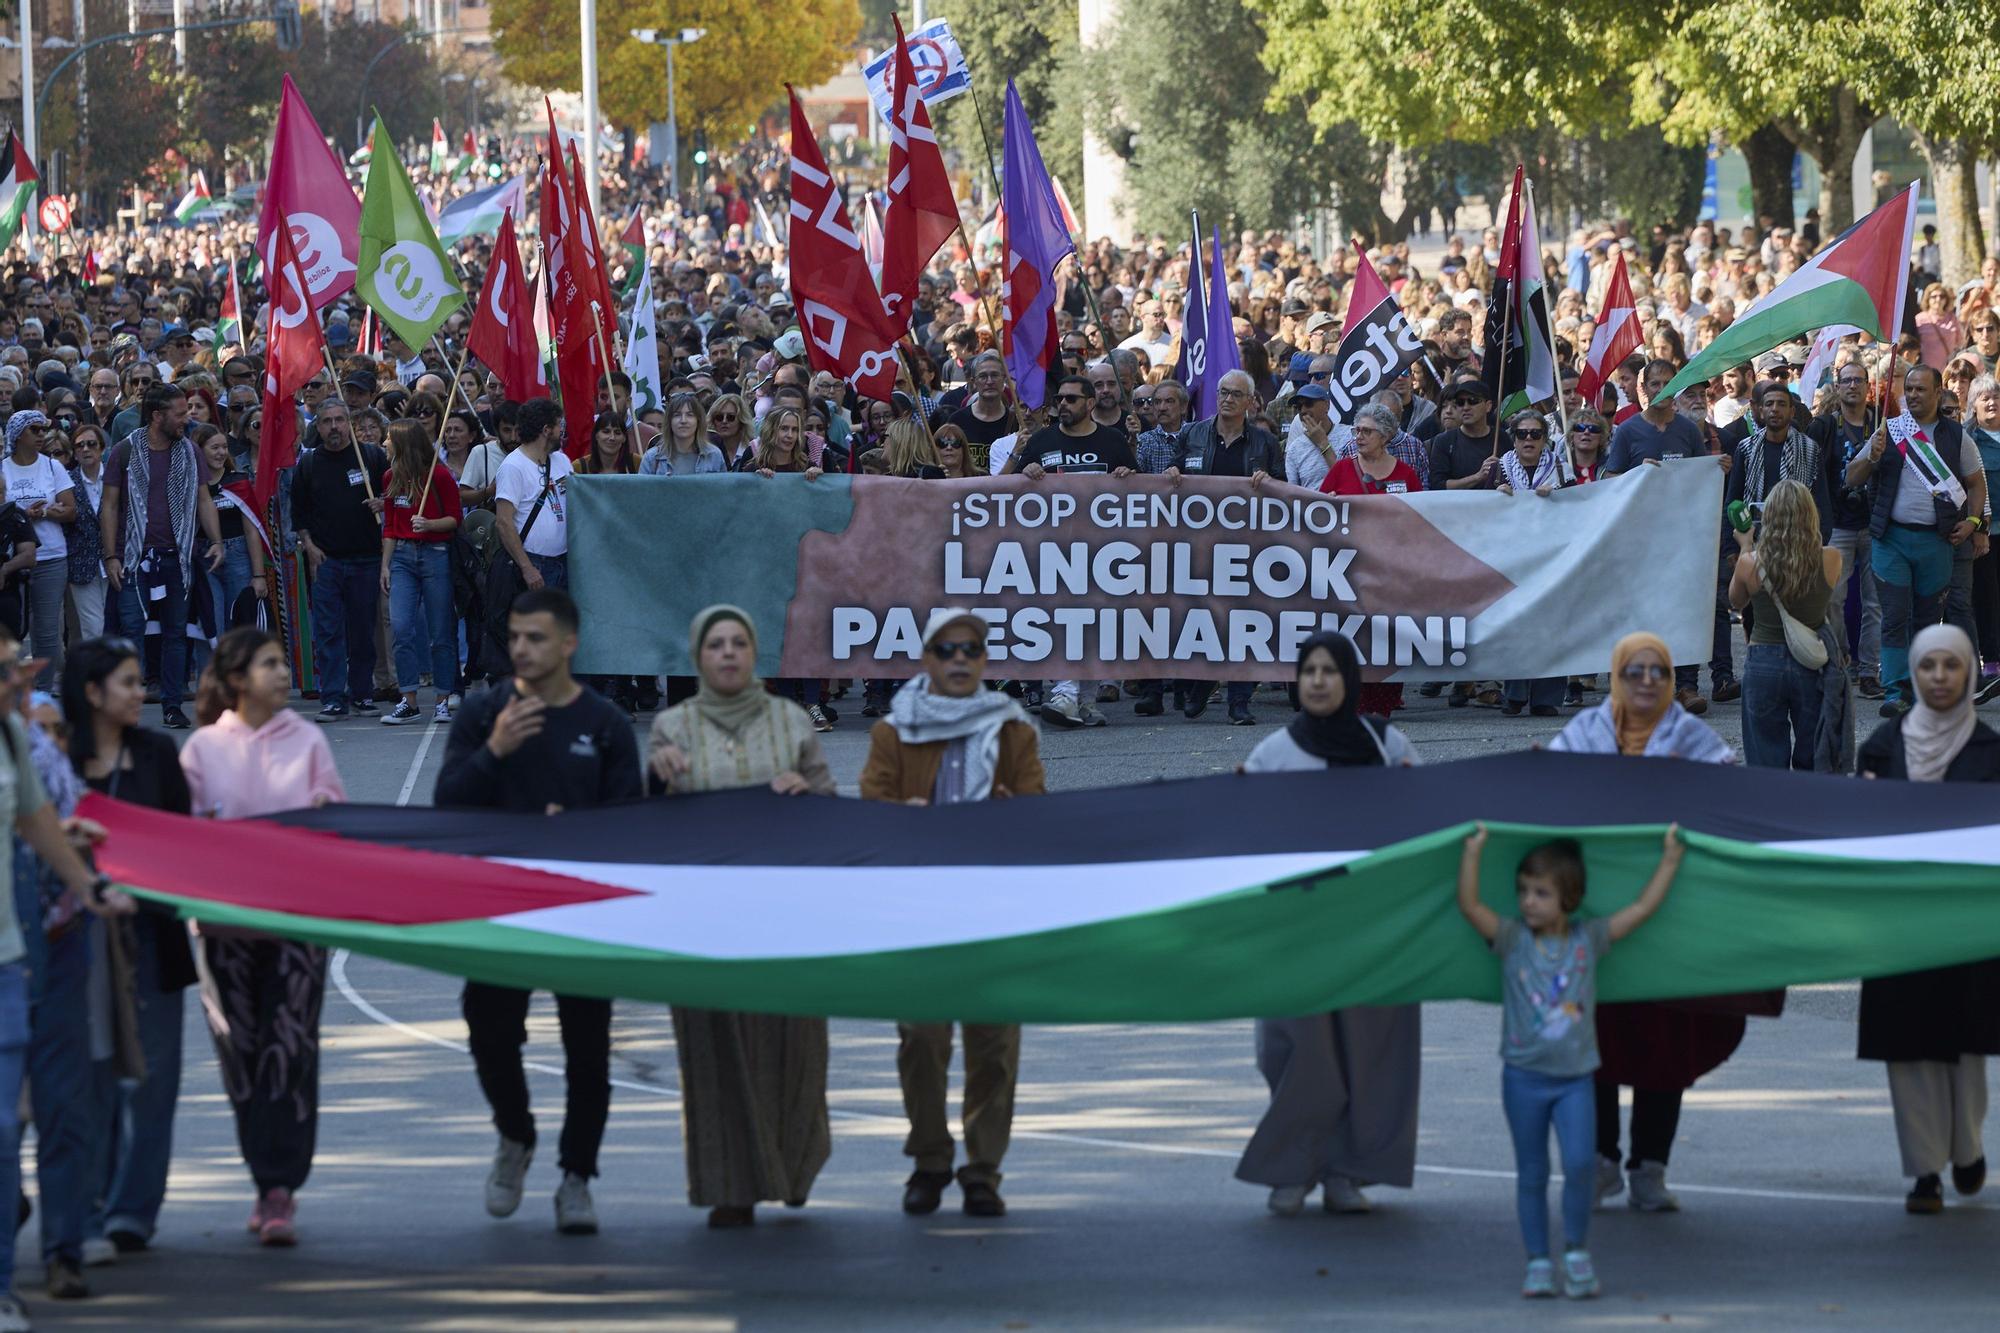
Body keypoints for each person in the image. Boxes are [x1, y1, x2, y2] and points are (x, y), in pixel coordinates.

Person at [435, 588, 638, 1236]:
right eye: (516, 636)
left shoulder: (604, 723)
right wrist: (493, 749)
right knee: (489, 1029)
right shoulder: (484, 711)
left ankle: (577, 1175)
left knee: (588, 1048)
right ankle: (514, 1135)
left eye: (536, 638)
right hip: (501, 905)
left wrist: (576, 830)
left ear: (569, 644)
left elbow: (633, 829)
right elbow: (448, 807)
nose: (521, 647)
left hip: (582, 910)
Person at [1547, 632, 1745, 1216]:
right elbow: (1544, 801)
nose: (1647, 682)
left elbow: (1727, 807)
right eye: (1634, 671)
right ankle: (1604, 1161)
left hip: (1669, 924)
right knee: (1597, 1043)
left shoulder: (1694, 740)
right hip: (1599, 927)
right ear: (1615, 675)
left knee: (1667, 1043)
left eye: (1658, 671)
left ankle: (1650, 1167)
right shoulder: (1581, 736)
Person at [648, 605, 834, 1227]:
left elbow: (833, 810)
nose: (727, 653)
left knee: (794, 1046)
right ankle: (731, 1184)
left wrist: (809, 798)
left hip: (787, 919)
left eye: (739, 644)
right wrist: (660, 783)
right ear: (699, 657)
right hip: (703, 923)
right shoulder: (671, 727)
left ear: (754, 654)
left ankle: (793, 1165)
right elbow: (651, 826)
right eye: (715, 645)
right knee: (714, 1050)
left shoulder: (791, 721)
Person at [859, 608, 1044, 1218]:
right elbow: (871, 810)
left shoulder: (1014, 729)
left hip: (993, 912)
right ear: (926, 659)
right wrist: (901, 818)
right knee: (921, 1037)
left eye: (970, 649)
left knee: (993, 1045)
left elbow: (1038, 811)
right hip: (921, 912)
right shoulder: (894, 731)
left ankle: (983, 1170)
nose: (959, 659)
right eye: (945, 649)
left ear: (985, 660)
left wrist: (1013, 813)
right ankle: (930, 1161)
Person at [1457, 821, 1685, 1300]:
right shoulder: (1512, 939)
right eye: (1523, 890)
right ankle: (1539, 1260)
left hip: (1575, 1081)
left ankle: (1576, 1251)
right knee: (1532, 1173)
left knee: (1581, 1164)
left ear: (1569, 896)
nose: (1527, 901)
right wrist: (1473, 852)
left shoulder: (1589, 940)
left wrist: (1669, 859)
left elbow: (1642, 909)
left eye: (1540, 892)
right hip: (1522, 1079)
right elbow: (1470, 906)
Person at [1236, 632, 1421, 1218]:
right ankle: (1294, 1167)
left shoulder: (1388, 745)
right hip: (1296, 932)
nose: (1318, 681)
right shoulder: (1272, 755)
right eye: (1308, 670)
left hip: (1372, 932)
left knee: (1368, 1054)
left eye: (1329, 671)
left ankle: (1348, 1172)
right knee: (1292, 1050)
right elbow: (1245, 842)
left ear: (1349, 680)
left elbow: (1425, 825)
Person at [178, 627, 346, 1246]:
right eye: (270, 664)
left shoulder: (308, 741)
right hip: (224, 931)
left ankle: (280, 1188)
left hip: (297, 928)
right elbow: (183, 840)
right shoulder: (200, 750)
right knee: (242, 1057)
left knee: (289, 1051)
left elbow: (335, 824)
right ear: (237, 678)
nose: (283, 673)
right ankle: (261, 1175)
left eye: (284, 662)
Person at [0, 621, 131, 1333]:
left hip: (50, 941)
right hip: (9, 954)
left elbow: (48, 820)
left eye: (19, 668)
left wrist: (87, 885)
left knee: (63, 1102)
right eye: (8, 671)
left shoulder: (26, 746)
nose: (18, 680)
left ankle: (63, 1249)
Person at [1854, 623, 2000, 1213]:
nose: (1940, 677)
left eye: (1951, 666)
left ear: (1968, 673)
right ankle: (1923, 1172)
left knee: (1961, 1048)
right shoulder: (1882, 749)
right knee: (1907, 1048)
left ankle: (1965, 1150)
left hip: (1966, 925)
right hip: (1897, 924)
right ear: (1913, 674)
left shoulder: (1992, 753)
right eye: (1928, 667)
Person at [63, 638, 196, 1260]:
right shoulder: (58, 758)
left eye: (141, 681)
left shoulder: (157, 752)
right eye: (126, 683)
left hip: (150, 935)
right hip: (76, 939)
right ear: (91, 694)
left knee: (152, 1078)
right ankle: (86, 1203)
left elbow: (183, 841)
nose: (139, 693)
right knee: (89, 1078)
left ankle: (132, 1211)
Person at [1845, 365, 1988, 716]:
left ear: (1938, 393)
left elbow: (1976, 485)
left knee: (1927, 620)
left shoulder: (1958, 436)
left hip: (1936, 543)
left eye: (1921, 389)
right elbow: (1851, 478)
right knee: (1894, 617)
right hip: (1890, 540)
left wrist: (1972, 522)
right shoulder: (1888, 431)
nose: (1912, 395)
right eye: (1908, 389)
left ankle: (1922, 690)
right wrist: (1872, 457)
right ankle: (1896, 691)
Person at [100, 384, 224, 731]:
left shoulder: (189, 451)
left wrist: (216, 541)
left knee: (175, 635)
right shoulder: (124, 451)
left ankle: (172, 705)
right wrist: (110, 556)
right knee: (131, 634)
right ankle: (125, 708)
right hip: (132, 559)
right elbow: (108, 506)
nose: (188, 418)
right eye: (180, 412)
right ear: (158, 416)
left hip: (178, 558)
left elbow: (203, 500)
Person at [1729, 480, 1844, 770]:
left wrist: (1745, 546)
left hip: (1763, 658)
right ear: (1811, 515)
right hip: (1811, 660)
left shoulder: (1749, 563)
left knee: (1765, 756)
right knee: (1812, 754)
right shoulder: (1831, 558)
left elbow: (1736, 603)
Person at [291, 392, 390, 724]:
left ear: (349, 423)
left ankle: (362, 693)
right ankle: (333, 697)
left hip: (366, 559)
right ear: (317, 426)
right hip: (326, 562)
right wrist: (309, 544)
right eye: (327, 421)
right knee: (329, 632)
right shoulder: (308, 465)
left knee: (362, 631)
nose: (334, 427)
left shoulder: (372, 458)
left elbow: (398, 492)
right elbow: (299, 516)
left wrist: (384, 504)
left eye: (339, 420)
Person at [379, 419, 463, 726]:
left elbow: (455, 519)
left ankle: (442, 699)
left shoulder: (439, 476)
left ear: (404, 444)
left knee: (440, 633)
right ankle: (409, 700)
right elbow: (389, 525)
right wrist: (385, 565)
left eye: (389, 439)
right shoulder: (390, 476)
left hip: (435, 555)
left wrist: (430, 525)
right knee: (401, 628)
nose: (385, 444)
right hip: (401, 557)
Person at [1809, 360, 1884, 698]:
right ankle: (1840, 659)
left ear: (1868, 386)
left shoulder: (1881, 424)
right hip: (1837, 523)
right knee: (1833, 600)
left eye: (1859, 380)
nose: (1852, 385)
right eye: (1846, 380)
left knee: (1875, 603)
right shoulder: (1823, 427)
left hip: (1874, 523)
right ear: (1837, 387)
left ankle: (1869, 671)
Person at [2, 411, 75, 688]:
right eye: (35, 429)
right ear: (19, 434)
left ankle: (41, 691)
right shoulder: (2, 468)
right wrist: (21, 515)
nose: (42, 434)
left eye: (43, 429)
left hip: (51, 556)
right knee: (11, 630)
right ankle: (10, 691)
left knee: (46, 630)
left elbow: (70, 511)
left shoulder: (52, 467)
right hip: (13, 558)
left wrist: (44, 513)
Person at [495, 398, 571, 591]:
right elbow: (504, 522)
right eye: (558, 425)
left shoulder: (562, 460)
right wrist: (527, 568)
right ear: (546, 430)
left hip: (564, 561)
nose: (561, 432)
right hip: (535, 565)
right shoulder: (513, 466)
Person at [63, 425, 112, 643]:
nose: (85, 449)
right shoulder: (66, 482)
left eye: (91, 444)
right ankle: (98, 676)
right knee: (93, 628)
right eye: (79, 445)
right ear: (74, 452)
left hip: (115, 561)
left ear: (101, 448)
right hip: (82, 563)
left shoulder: (115, 477)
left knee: (116, 624)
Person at [639, 393, 724, 475]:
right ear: (669, 421)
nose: (683, 420)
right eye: (677, 415)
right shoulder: (652, 458)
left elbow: (724, 488)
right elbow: (642, 489)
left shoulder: (714, 455)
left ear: (698, 421)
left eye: (690, 415)